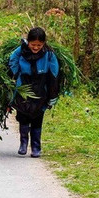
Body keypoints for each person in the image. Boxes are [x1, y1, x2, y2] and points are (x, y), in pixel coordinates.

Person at [8, 27, 59, 158]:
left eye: (39, 45)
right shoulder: (21, 50)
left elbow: (54, 74)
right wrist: (14, 73)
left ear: (44, 43)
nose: (36, 47)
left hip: (40, 89)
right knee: (23, 117)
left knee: (37, 119)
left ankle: (36, 147)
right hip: (23, 87)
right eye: (33, 44)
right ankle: (23, 144)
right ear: (28, 42)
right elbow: (13, 60)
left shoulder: (49, 54)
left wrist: (53, 95)